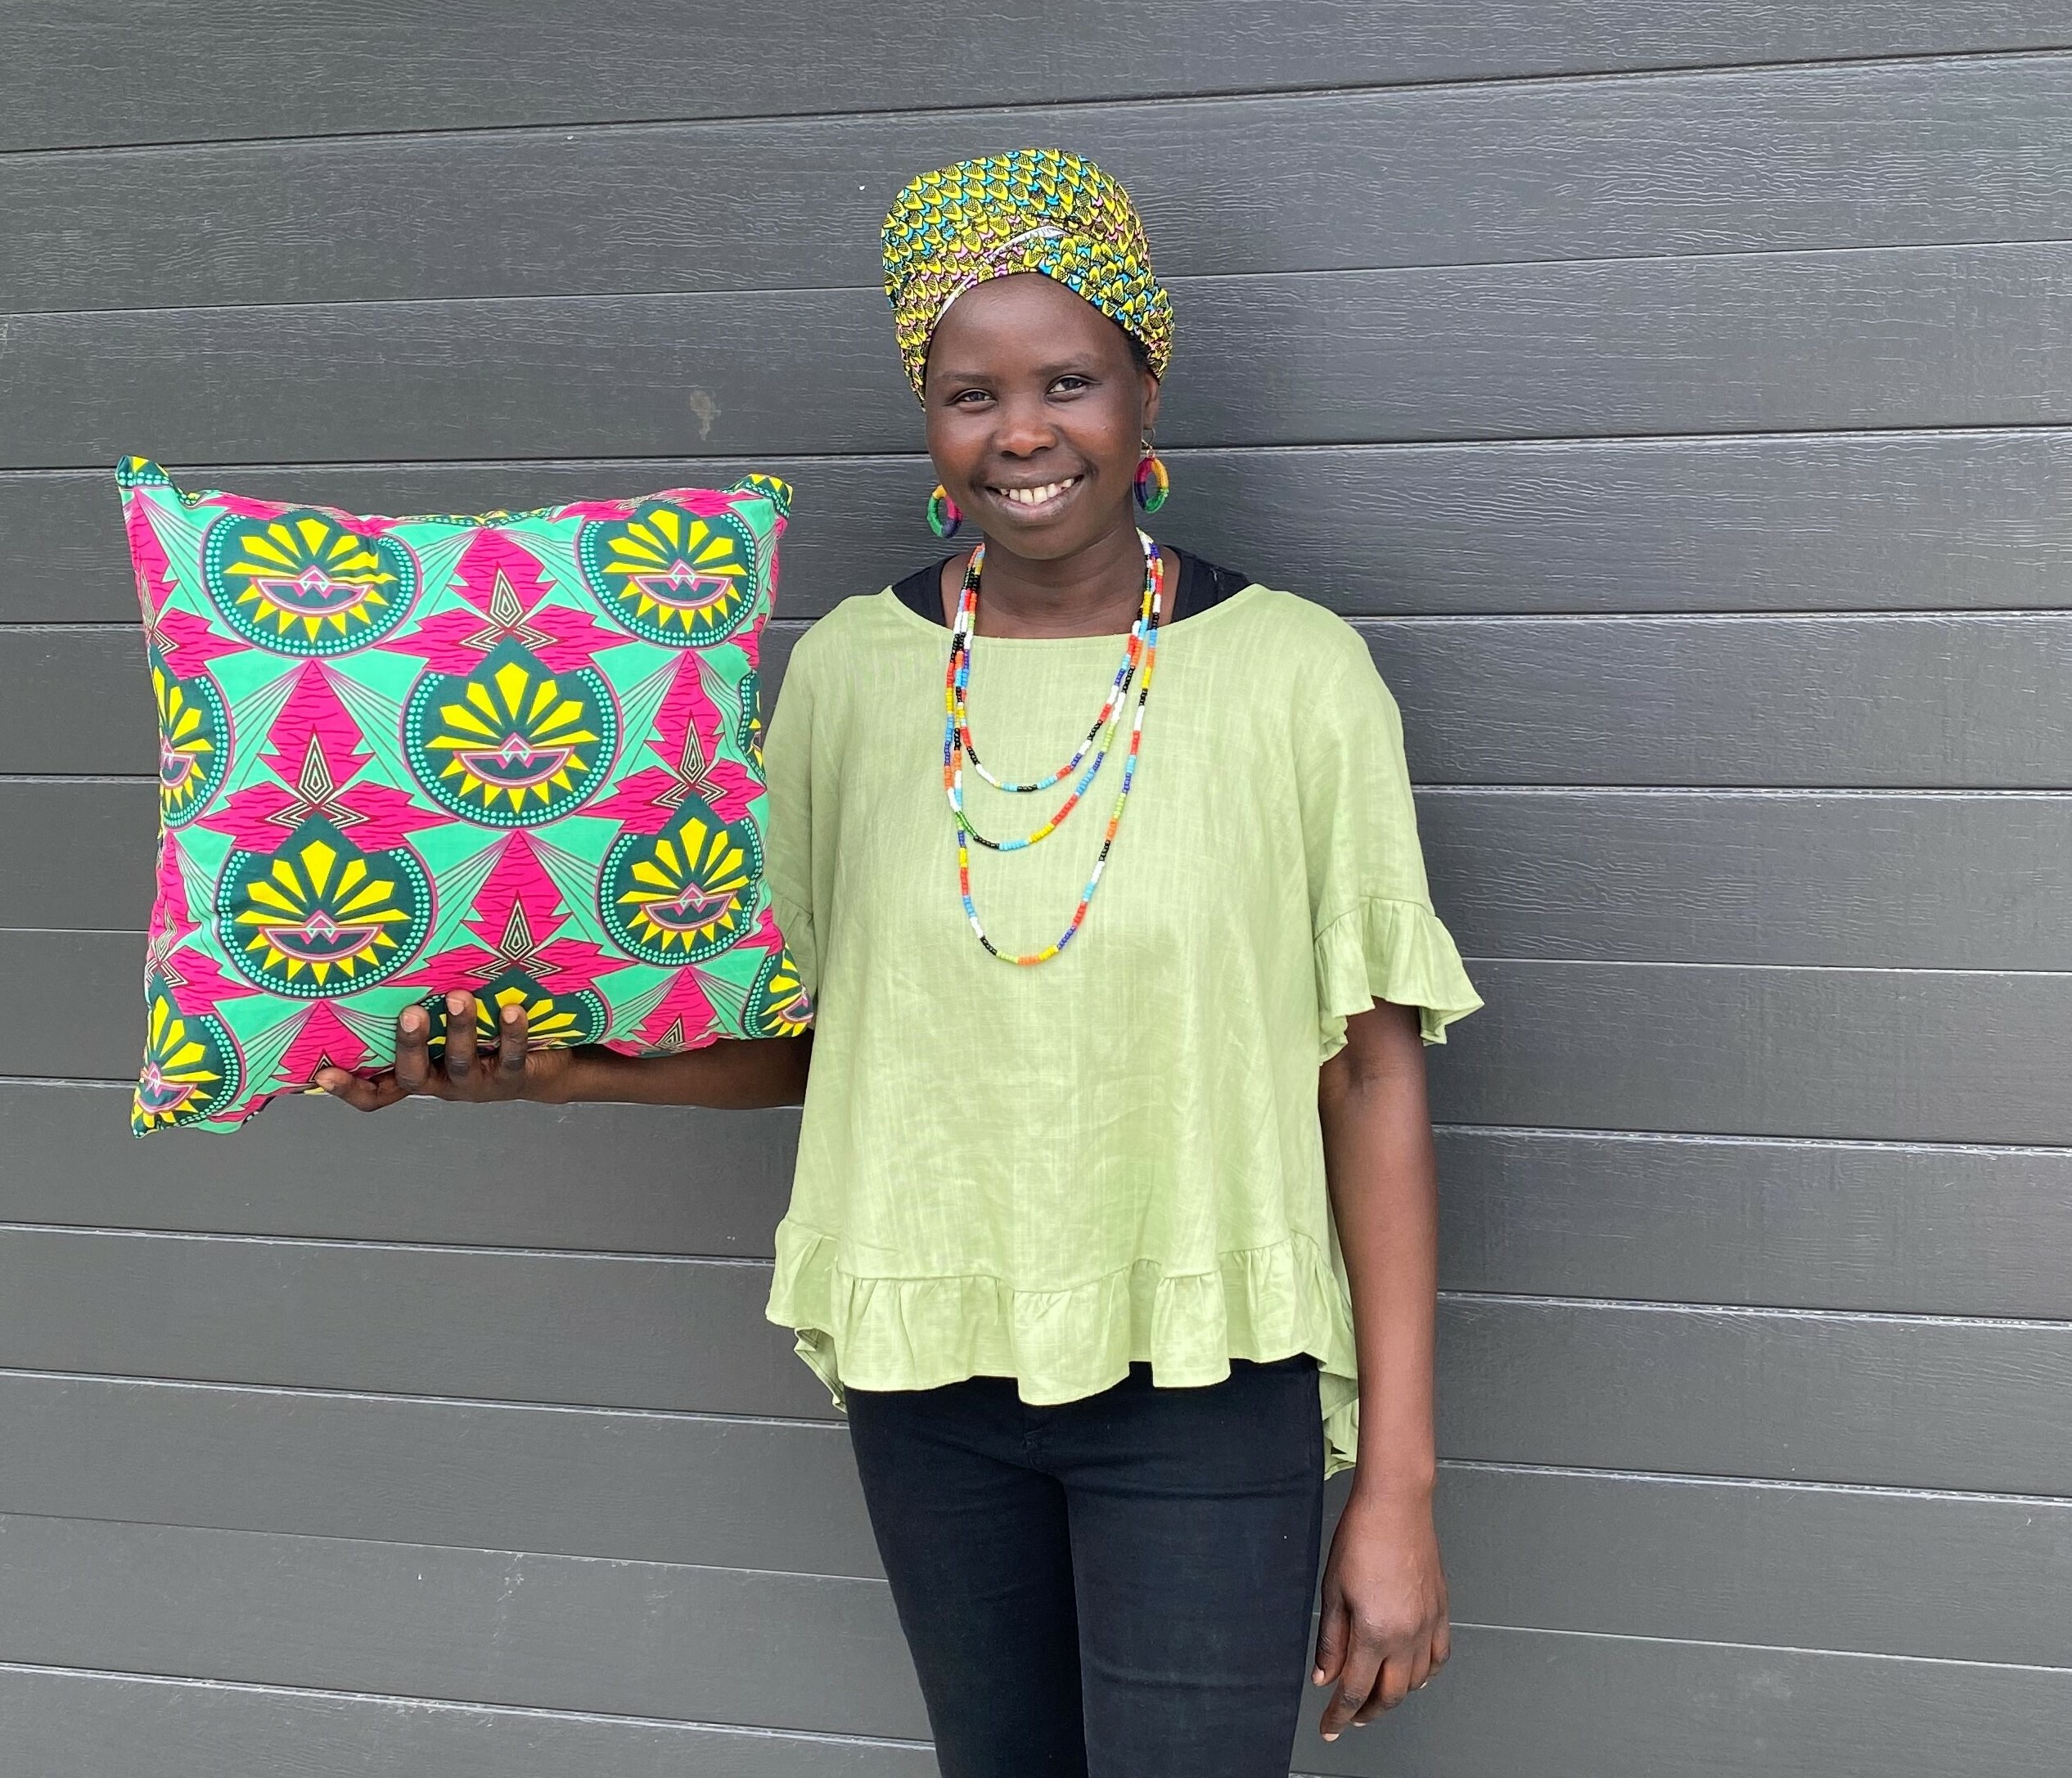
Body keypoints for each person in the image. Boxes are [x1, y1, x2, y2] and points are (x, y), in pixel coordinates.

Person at [320, 147, 1482, 1777]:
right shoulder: (856, 678)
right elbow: (804, 1030)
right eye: (969, 390)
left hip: (1207, 1379)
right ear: (929, 423)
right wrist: (549, 1064)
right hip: (929, 1383)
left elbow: (1368, 1076)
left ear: (1147, 392)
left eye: (1069, 379)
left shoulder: (1299, 678)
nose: (1021, 430)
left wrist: (1402, 1487)